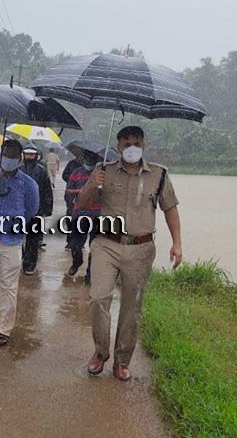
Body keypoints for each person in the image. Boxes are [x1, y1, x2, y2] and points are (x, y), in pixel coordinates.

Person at [75, 126, 182, 380]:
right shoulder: (104, 170)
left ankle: (122, 361)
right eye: (126, 143)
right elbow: (81, 204)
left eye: (136, 142)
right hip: (106, 244)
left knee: (132, 308)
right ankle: (100, 352)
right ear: (118, 145)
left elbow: (170, 209)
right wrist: (92, 184)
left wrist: (177, 243)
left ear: (143, 144)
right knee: (99, 297)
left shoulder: (159, 174)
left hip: (141, 248)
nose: (131, 147)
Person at [0, 139, 39, 346]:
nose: (8, 159)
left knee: (9, 287)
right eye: (5, 154)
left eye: (13, 156)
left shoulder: (28, 183)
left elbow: (32, 209)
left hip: (12, 240)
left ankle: (4, 330)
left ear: (19, 159)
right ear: (0, 155)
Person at [64, 150, 102, 284]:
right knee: (75, 245)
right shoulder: (76, 173)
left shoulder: (102, 175)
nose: (90, 160)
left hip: (98, 217)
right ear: (84, 158)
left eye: (93, 158)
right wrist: (80, 192)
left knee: (96, 248)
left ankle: (90, 274)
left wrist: (99, 188)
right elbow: (68, 192)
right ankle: (77, 262)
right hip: (79, 215)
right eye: (87, 157)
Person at [18, 143, 53, 275]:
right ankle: (20, 258)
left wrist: (47, 208)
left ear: (36, 156)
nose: (29, 156)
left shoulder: (41, 171)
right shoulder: (18, 169)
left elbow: (47, 191)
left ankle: (30, 264)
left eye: (32, 154)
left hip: (36, 209)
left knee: (33, 239)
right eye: (27, 154)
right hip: (19, 209)